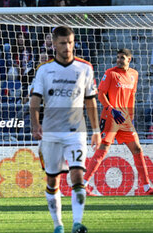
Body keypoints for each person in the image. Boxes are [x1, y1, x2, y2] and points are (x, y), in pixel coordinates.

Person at [30, 26, 101, 233]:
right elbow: (35, 101)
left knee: (77, 175)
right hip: (51, 133)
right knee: (53, 180)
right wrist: (35, 124)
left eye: (70, 42)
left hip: (76, 132)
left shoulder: (85, 68)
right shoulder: (44, 70)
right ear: (54, 44)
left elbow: (90, 102)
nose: (67, 47)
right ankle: (58, 225)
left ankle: (77, 223)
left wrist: (96, 129)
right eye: (62, 43)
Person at [84, 48, 153, 196]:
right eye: (118, 57)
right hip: (110, 116)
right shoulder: (110, 73)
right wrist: (111, 109)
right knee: (102, 150)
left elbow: (132, 97)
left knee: (137, 149)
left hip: (125, 119)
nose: (119, 60)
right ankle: (83, 184)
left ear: (129, 59)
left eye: (122, 58)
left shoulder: (134, 74)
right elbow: (101, 94)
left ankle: (147, 187)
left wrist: (131, 116)